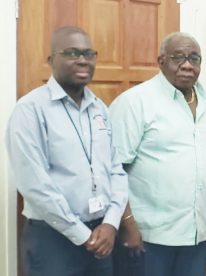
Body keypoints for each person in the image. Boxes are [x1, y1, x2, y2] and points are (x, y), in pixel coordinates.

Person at [5, 26, 128, 276]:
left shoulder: (100, 109)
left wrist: (111, 223)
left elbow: (117, 170)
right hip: (54, 240)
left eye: (88, 53)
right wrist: (82, 235)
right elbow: (34, 185)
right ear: (51, 60)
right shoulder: (31, 110)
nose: (82, 60)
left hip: (101, 235)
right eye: (72, 53)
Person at [109, 32, 206, 276]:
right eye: (178, 57)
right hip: (149, 236)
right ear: (161, 61)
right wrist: (127, 224)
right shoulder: (134, 102)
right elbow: (112, 169)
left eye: (194, 58)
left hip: (199, 234)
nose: (187, 65)